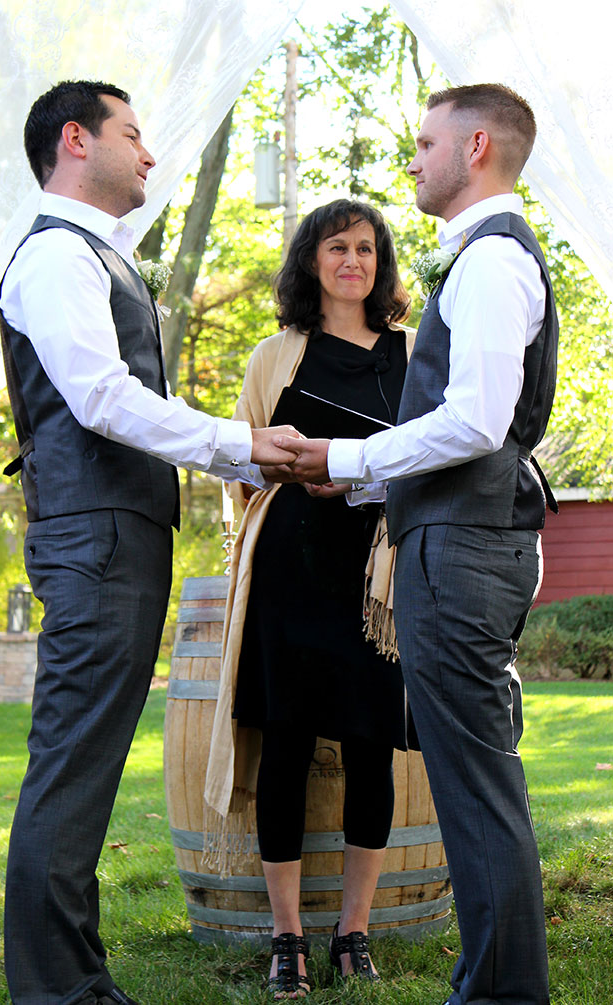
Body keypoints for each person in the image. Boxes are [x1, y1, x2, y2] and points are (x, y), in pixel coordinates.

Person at [0, 79, 298, 1005]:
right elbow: (102, 399)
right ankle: (59, 991)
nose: (151, 154)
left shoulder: (96, 255)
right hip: (95, 539)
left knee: (84, 762)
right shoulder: (55, 258)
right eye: (134, 133)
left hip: (115, 534)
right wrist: (237, 443)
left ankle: (73, 980)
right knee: (75, 759)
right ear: (77, 141)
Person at [279, 85, 558, 1005]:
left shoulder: (489, 262)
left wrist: (351, 452)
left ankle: (501, 994)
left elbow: (473, 420)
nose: (414, 158)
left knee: (475, 790)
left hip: (465, 547)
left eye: (427, 142)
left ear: (476, 146)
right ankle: (497, 986)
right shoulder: (484, 258)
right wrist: (355, 476)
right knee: (477, 783)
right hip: (462, 536)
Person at [203, 199, 415, 998]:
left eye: (366, 248)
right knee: (286, 746)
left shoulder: (414, 352)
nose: (352, 261)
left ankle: (353, 932)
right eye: (337, 247)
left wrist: (364, 472)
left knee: (370, 746)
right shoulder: (277, 354)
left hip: (376, 584)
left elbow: (435, 454)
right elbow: (239, 462)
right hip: (289, 575)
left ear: (379, 262)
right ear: (312, 261)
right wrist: (279, 465)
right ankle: (286, 935)